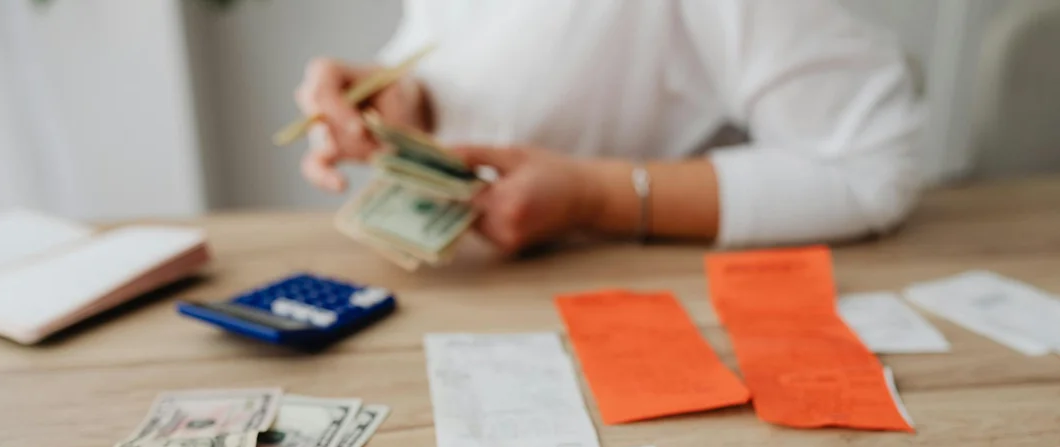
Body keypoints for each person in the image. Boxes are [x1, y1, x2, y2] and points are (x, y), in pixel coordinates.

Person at [295, 0, 923, 254]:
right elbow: (459, 44)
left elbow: (870, 171)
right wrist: (410, 100)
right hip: (485, 297)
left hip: (654, 300)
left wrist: (593, 196)